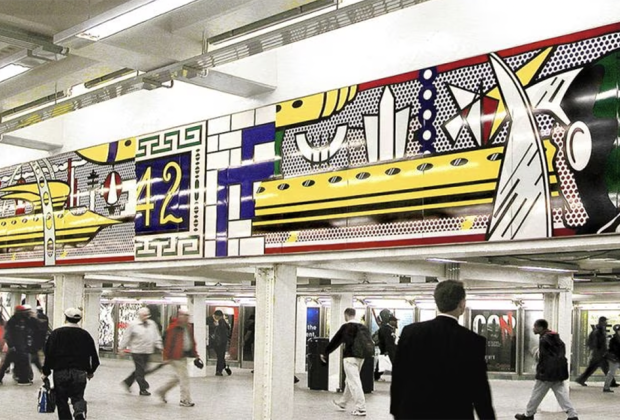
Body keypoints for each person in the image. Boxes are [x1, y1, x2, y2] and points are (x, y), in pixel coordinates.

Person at [390, 280, 495, 420]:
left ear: (437, 302)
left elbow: (399, 376)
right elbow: (479, 388)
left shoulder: (411, 332)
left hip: (413, 412)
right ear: (462, 304)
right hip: (455, 413)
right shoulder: (472, 340)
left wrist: (397, 411)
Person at [42, 308, 100, 420]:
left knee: (61, 399)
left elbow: (48, 354)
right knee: (78, 396)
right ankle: (79, 412)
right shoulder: (85, 335)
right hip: (79, 372)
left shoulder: (56, 334)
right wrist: (90, 371)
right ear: (79, 320)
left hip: (60, 372)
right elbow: (94, 357)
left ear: (65, 318)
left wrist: (46, 371)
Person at [515, 319, 578, 420]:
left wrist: (541, 371)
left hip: (547, 373)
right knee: (562, 394)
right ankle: (572, 415)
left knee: (536, 394)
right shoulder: (556, 338)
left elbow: (544, 358)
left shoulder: (544, 339)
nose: (533, 329)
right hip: (558, 372)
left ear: (540, 328)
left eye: (535, 326)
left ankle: (528, 415)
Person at [320, 307, 367, 417]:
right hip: (361, 357)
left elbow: (335, 341)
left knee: (354, 381)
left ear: (346, 315)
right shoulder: (363, 327)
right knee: (349, 380)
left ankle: (361, 408)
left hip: (350, 357)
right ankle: (343, 403)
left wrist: (325, 352)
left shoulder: (346, 327)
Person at [156, 308, 199, 407]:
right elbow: (168, 343)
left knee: (178, 377)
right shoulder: (173, 328)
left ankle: (162, 391)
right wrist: (166, 357)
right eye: (184, 315)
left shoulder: (188, 327)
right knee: (184, 378)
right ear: (179, 316)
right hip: (175, 357)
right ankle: (185, 400)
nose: (186, 318)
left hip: (183, 356)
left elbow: (192, 342)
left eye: (188, 316)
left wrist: (196, 355)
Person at [119, 307, 163, 395]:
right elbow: (126, 337)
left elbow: (156, 336)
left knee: (142, 369)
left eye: (147, 315)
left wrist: (160, 347)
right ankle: (143, 389)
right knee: (140, 370)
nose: (146, 317)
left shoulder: (152, 324)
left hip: (147, 351)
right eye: (144, 315)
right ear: (139, 315)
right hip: (137, 351)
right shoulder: (133, 324)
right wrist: (122, 348)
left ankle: (128, 382)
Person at [0, 305, 37, 385]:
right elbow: (8, 334)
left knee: (20, 363)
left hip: (21, 347)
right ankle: (23, 379)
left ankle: (23, 379)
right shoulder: (13, 321)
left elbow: (31, 330)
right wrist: (11, 345)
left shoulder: (25, 320)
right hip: (15, 347)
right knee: (7, 363)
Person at [576, 316, 617, 387]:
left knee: (599, 368)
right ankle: (611, 382)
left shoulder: (600, 330)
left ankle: (612, 382)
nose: (606, 322)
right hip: (599, 354)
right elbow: (596, 343)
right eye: (605, 321)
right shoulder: (597, 331)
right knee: (598, 368)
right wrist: (600, 352)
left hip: (600, 353)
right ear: (601, 322)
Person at [208, 310, 231, 376]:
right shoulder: (209, 320)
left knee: (220, 356)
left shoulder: (222, 321)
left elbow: (228, 328)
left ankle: (219, 371)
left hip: (222, 341)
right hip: (214, 342)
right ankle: (224, 366)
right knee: (220, 356)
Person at [603, 324, 620, 392]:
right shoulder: (614, 339)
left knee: (611, 373)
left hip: (618, 358)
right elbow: (613, 349)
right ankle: (606, 387)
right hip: (614, 358)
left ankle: (606, 387)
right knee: (611, 373)